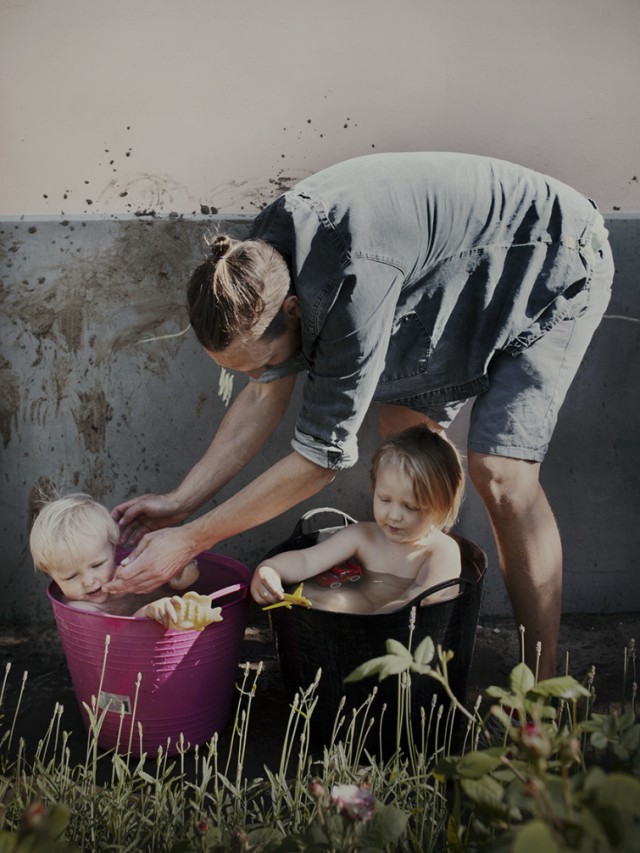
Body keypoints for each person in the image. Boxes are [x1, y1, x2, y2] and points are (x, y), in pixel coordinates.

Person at [108, 152, 614, 679]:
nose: (255, 377)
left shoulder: (351, 285)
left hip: (555, 258)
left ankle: (545, 690)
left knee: (502, 474)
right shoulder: (254, 265)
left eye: (260, 363)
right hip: (452, 273)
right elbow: (264, 395)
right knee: (403, 438)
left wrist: (192, 540)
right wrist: (180, 503)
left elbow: (319, 460)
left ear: (294, 312)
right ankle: (424, 613)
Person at [251, 424, 465, 614]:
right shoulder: (362, 537)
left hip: (401, 641)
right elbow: (306, 561)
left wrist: (368, 621)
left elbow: (421, 602)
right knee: (328, 599)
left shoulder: (440, 551)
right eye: (384, 499)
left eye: (410, 507)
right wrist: (271, 569)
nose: (394, 515)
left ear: (440, 508)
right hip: (357, 620)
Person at [30, 493, 200, 624]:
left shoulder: (129, 573)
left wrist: (180, 575)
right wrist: (146, 612)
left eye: (97, 565)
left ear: (113, 548)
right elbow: (112, 636)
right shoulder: (79, 607)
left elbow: (171, 582)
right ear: (51, 576)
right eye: (71, 576)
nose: (88, 581)